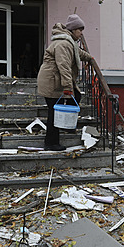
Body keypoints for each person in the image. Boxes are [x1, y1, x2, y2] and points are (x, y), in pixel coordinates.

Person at [37, 14, 93, 151]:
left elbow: (76, 52)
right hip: (52, 82)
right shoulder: (63, 44)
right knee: (54, 112)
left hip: (54, 80)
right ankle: (51, 143)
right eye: (80, 30)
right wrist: (68, 88)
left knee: (72, 100)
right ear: (73, 30)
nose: (81, 34)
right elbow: (64, 67)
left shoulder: (68, 42)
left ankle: (67, 129)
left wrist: (89, 57)